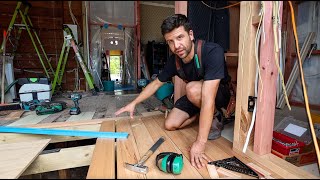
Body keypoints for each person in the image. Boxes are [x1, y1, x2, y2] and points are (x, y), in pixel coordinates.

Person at [115, 14, 231, 169]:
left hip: (218, 96)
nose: (176, 46)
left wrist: (200, 142)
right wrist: (134, 103)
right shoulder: (174, 61)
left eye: (180, 37)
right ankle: (200, 115)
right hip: (196, 97)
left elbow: (208, 98)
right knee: (170, 124)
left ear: (190, 35)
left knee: (192, 88)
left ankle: (216, 116)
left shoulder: (212, 51)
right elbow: (156, 83)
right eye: (171, 41)